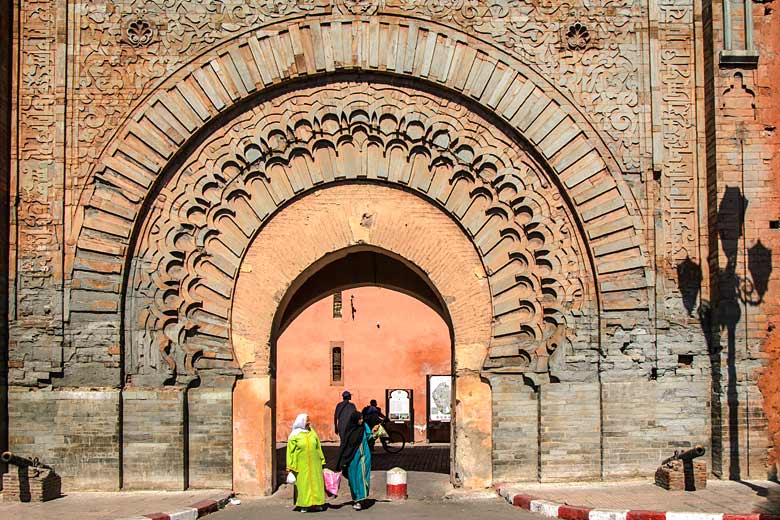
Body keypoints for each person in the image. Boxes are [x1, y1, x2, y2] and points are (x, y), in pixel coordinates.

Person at [286, 413, 326, 512]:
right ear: (301, 422)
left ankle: (318, 503)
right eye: (307, 420)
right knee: (303, 484)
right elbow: (290, 451)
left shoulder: (312, 432)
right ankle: (304, 505)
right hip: (301, 465)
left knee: (317, 483)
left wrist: (322, 459)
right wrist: (290, 465)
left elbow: (318, 447)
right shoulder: (294, 435)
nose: (309, 422)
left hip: (315, 464)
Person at [336, 411, 372, 510]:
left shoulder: (364, 427)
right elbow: (345, 446)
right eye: (360, 419)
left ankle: (361, 498)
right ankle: (356, 498)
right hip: (352, 459)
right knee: (353, 479)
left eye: (362, 418)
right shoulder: (349, 431)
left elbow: (370, 436)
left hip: (364, 456)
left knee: (362, 476)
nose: (362, 420)